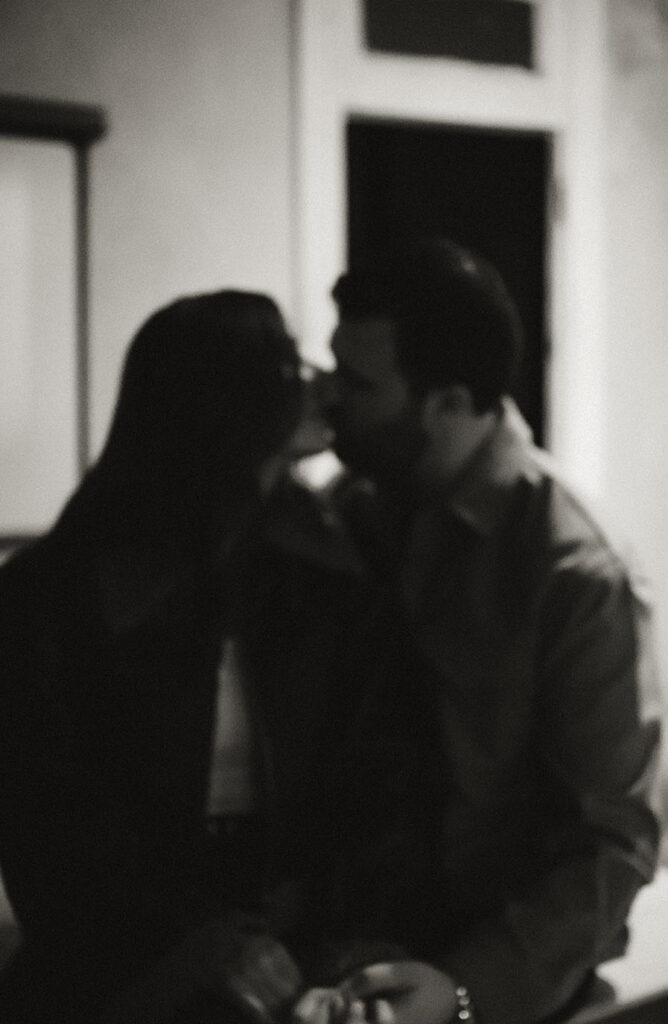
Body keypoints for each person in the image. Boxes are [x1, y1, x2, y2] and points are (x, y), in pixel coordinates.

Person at [293, 239, 663, 1024]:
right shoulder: (361, 508)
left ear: (449, 401)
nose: (326, 399)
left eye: (356, 383)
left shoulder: (575, 571)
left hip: (490, 973)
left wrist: (464, 993)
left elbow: (611, 843)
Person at [0, 289, 389, 1024]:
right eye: (281, 365)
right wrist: (193, 941)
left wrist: (324, 911)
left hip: (298, 946)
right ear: (215, 403)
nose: (315, 383)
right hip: (122, 963)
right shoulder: (55, 593)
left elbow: (368, 777)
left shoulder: (328, 570)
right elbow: (50, 830)